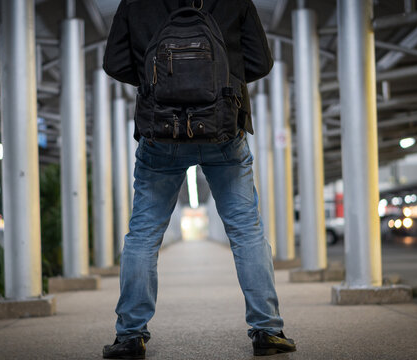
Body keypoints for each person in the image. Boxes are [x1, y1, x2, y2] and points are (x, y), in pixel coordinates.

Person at [102, 0, 296, 358]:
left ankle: (130, 336)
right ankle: (268, 330)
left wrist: (160, 83)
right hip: (222, 127)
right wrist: (215, 81)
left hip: (159, 131)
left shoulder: (133, 2)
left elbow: (114, 63)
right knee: (246, 232)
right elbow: (261, 62)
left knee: (143, 236)